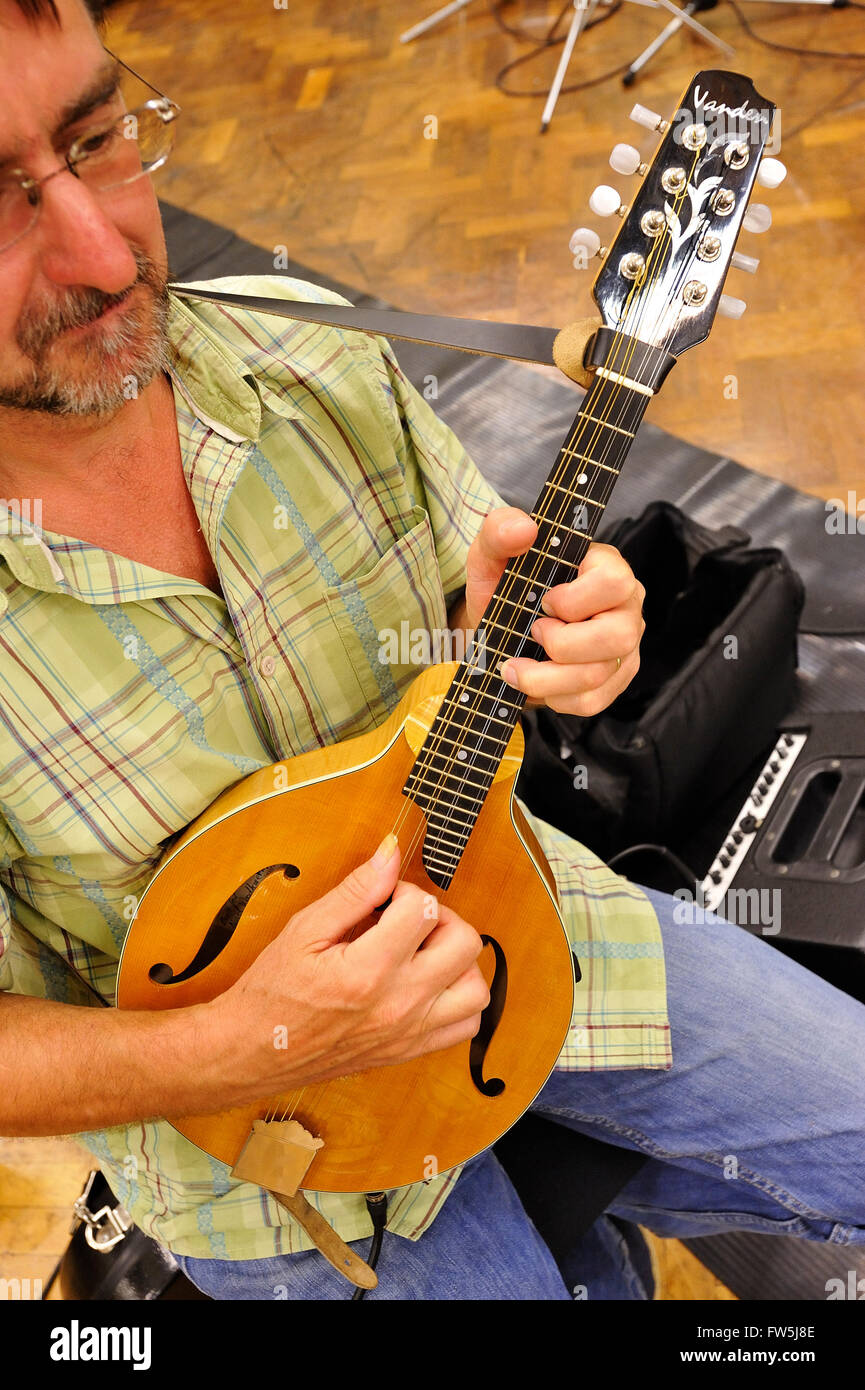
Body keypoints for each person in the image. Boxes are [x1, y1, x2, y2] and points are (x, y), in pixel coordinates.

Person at [0, 0, 862, 1302]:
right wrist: (239, 1043)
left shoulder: (297, 344)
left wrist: (565, 627)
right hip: (272, 1150)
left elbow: (478, 609)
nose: (103, 253)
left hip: (531, 930)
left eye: (99, 138)